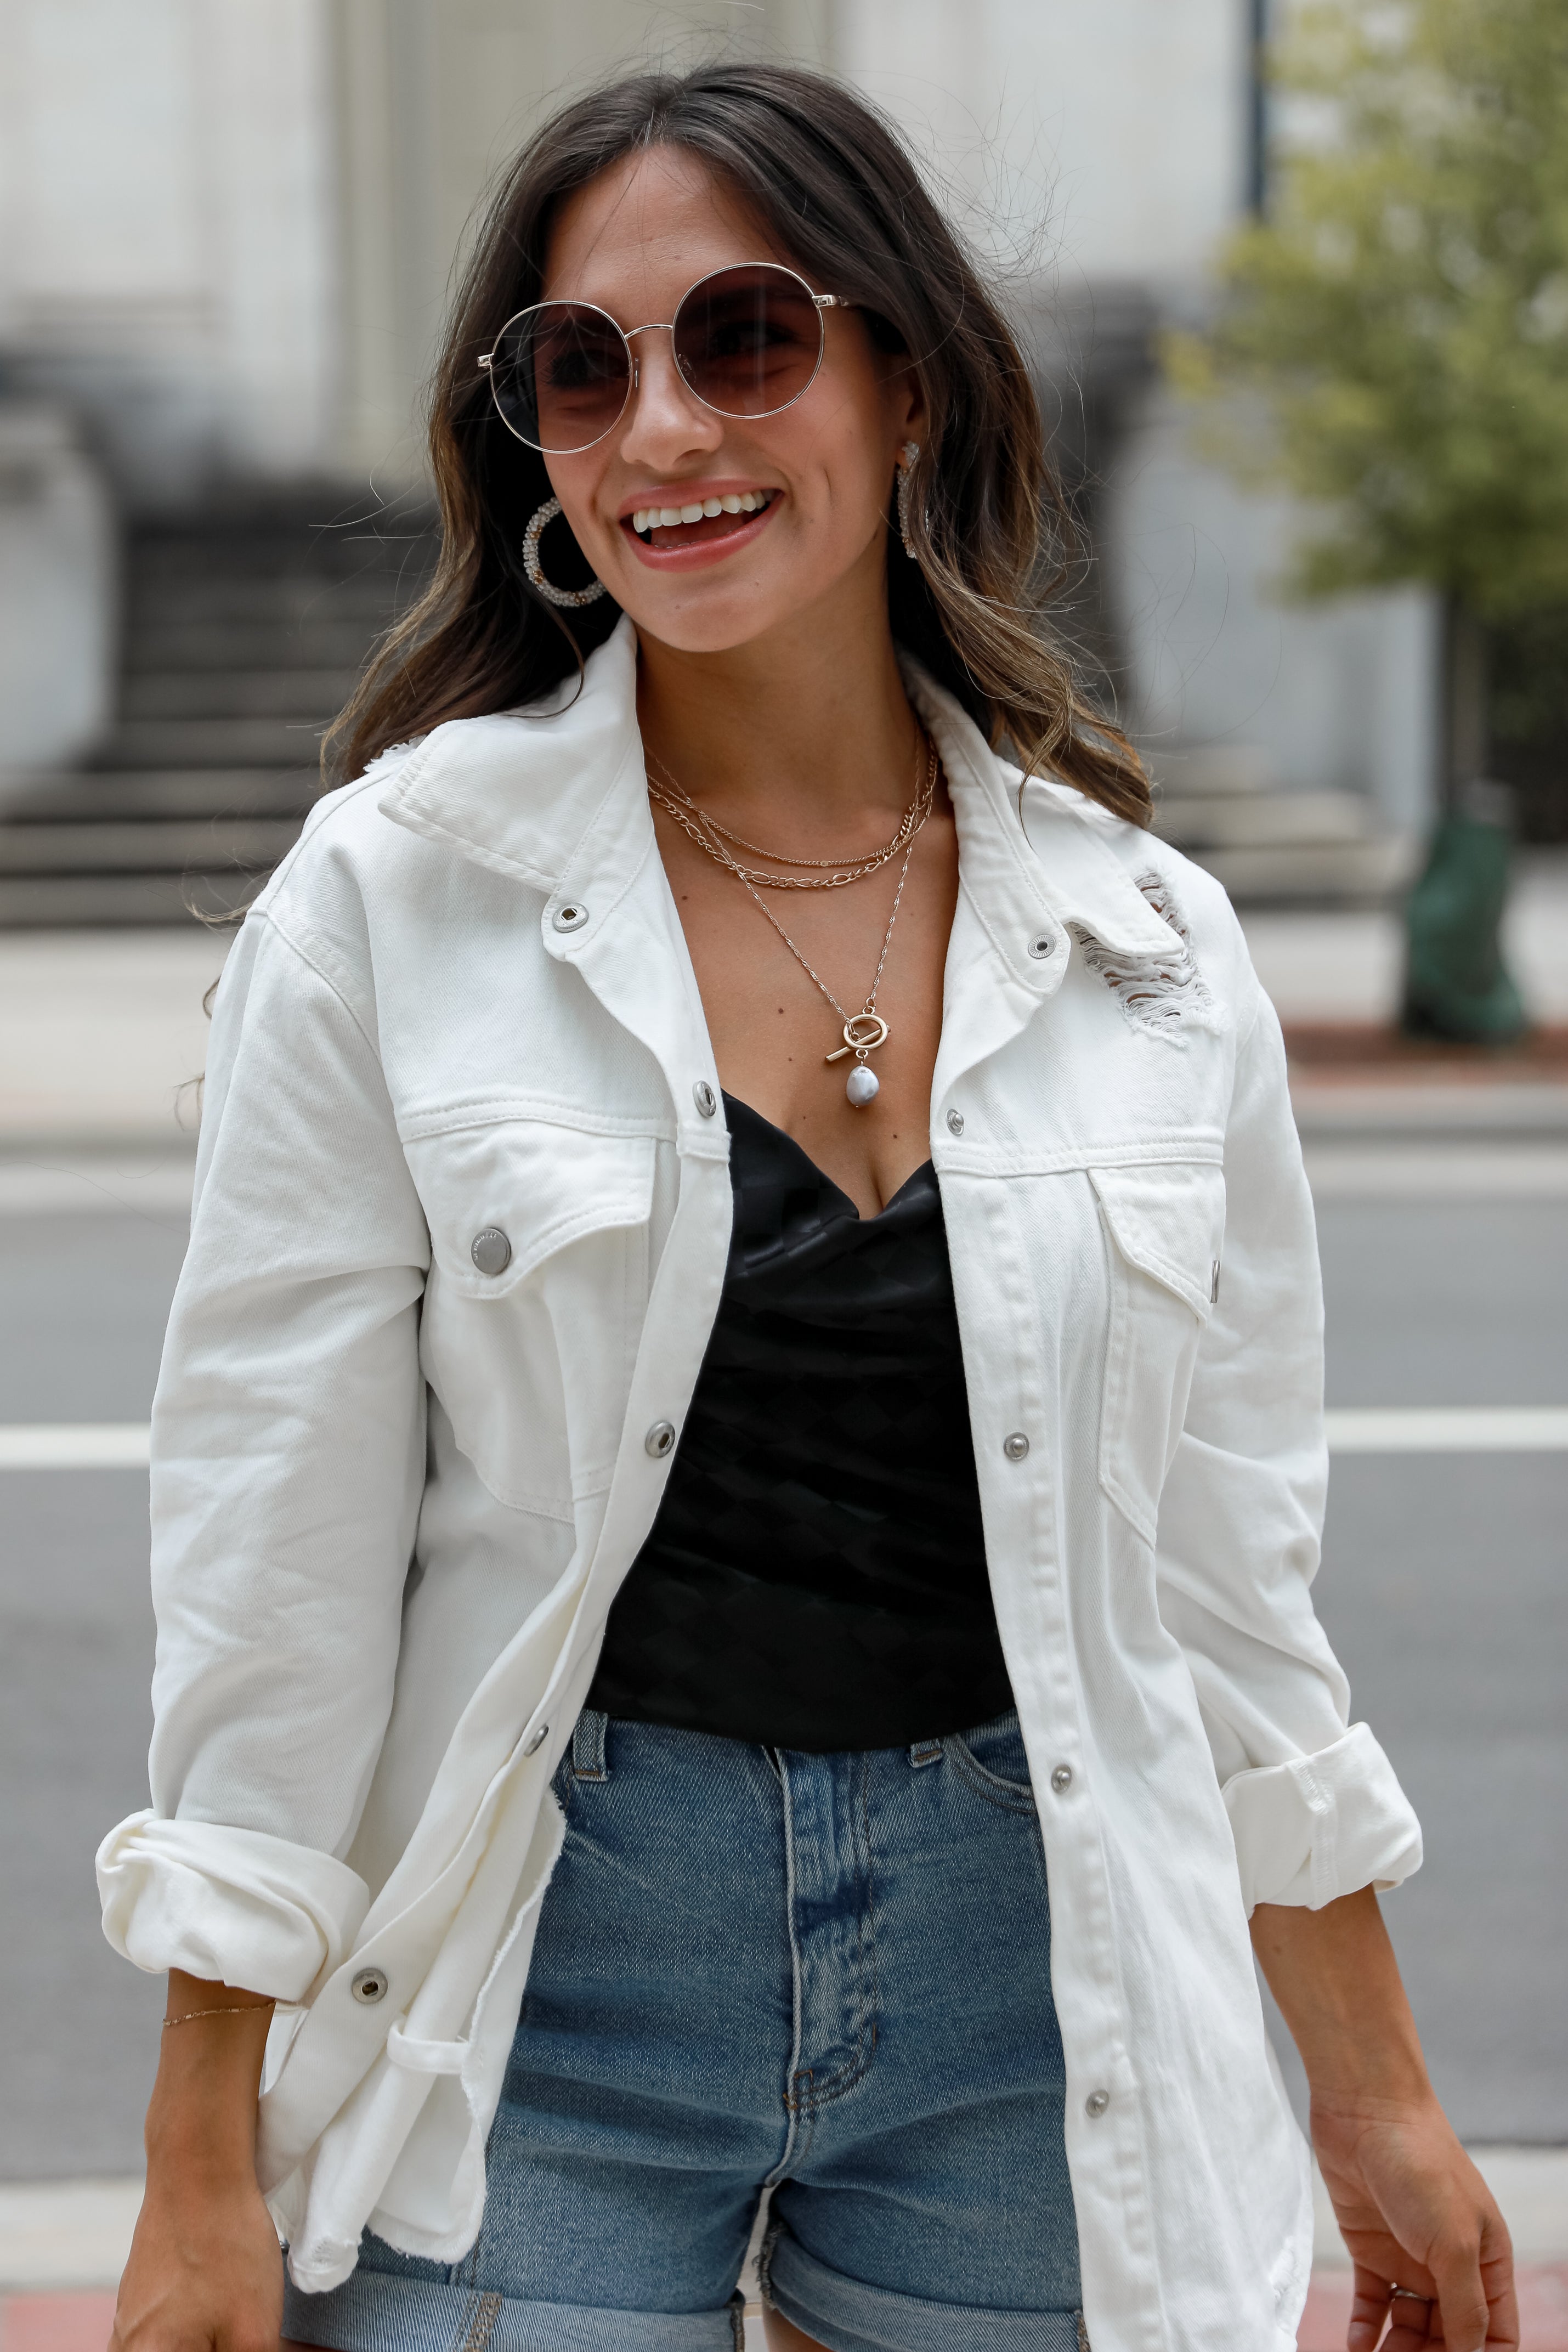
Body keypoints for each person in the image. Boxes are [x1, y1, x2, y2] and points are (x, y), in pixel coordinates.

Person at [100, 62, 1516, 2352]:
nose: (662, 424)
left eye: (743, 337)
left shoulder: (1148, 948)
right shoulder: (398, 898)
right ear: (536, 448)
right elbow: (270, 1564)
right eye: (585, 367)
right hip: (542, 2001)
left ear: (908, 382)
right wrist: (192, 2168)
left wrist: (1377, 2092)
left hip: (1037, 2003)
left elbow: (1226, 1596)